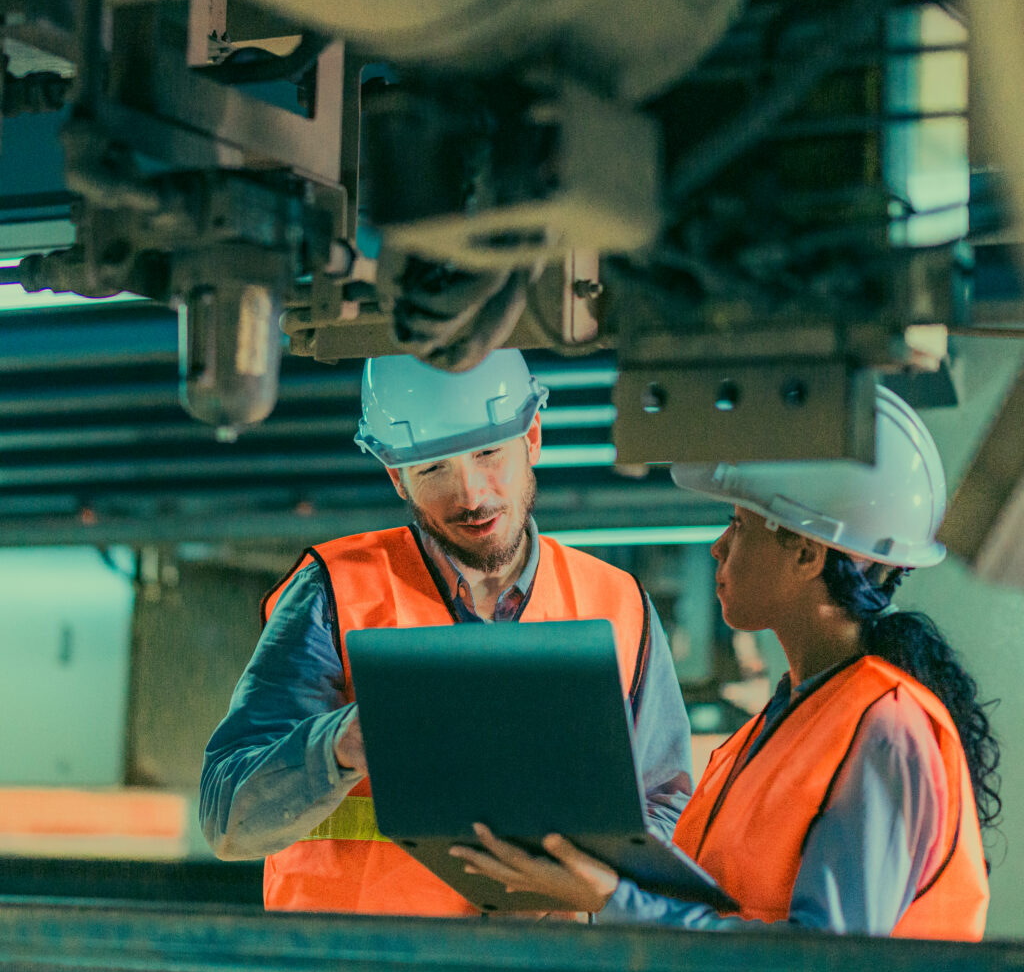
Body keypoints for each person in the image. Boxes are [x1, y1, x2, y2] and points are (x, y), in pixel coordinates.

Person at [451, 386, 999, 940]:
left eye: (739, 524)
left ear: (807, 555)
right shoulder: (767, 734)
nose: (718, 546)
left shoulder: (889, 728)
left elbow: (826, 966)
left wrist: (614, 900)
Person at [199, 348, 693, 915]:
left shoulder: (620, 604)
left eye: (488, 453)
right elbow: (225, 819)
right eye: (434, 468)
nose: (471, 496)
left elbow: (665, 816)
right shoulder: (334, 593)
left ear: (531, 436)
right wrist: (342, 743)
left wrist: (594, 883)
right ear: (397, 476)